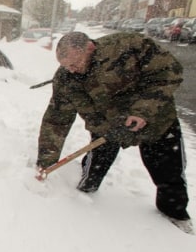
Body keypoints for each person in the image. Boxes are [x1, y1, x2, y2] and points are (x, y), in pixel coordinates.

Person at [35, 31, 192, 233]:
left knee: (168, 174)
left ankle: (175, 215)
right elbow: (57, 120)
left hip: (156, 122)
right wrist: (46, 161)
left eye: (75, 64)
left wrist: (142, 111)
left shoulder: (128, 46)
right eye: (66, 67)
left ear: (90, 48)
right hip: (106, 129)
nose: (72, 71)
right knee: (91, 172)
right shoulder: (66, 77)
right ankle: (81, 198)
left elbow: (169, 72)